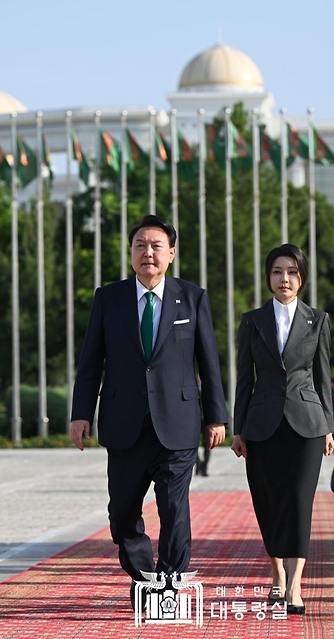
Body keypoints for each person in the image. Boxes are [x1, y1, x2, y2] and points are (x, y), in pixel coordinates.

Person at [69, 215, 228, 610]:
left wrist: (217, 416)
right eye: (140, 245)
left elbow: (208, 361)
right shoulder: (109, 298)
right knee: (122, 514)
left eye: (157, 245)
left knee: (175, 510)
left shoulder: (192, 298)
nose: (148, 253)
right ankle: (146, 579)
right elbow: (91, 361)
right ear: (131, 252)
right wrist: (80, 413)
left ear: (171, 254)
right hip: (125, 425)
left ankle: (168, 587)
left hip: (178, 422)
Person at [232, 244, 334, 615]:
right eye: (277, 272)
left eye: (291, 271)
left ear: (302, 277)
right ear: (268, 277)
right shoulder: (251, 320)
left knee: (298, 500)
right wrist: (237, 428)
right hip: (261, 425)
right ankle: (276, 574)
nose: (284, 279)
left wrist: (329, 427)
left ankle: (294, 585)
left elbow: (323, 377)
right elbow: (245, 378)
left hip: (307, 425)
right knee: (268, 501)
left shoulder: (318, 320)